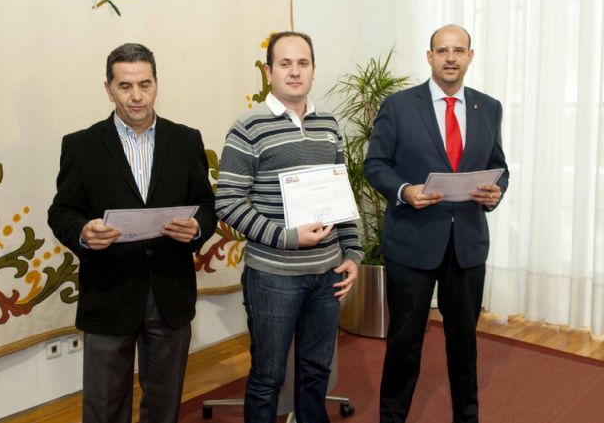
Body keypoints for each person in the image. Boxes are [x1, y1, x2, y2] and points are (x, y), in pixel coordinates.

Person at [48, 43, 217, 423]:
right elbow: (62, 211)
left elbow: (206, 205)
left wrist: (197, 228)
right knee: (104, 407)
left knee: (164, 404)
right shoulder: (82, 145)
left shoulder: (186, 140)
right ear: (108, 89)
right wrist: (82, 232)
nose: (136, 96)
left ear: (157, 84)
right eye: (125, 86)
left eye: (145, 84)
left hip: (170, 292)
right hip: (109, 292)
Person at [215, 31, 363, 423]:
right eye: (285, 64)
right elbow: (227, 201)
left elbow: (341, 195)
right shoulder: (248, 126)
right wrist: (287, 237)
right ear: (269, 72)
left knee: (316, 373)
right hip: (273, 277)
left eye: (303, 63)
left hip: (327, 274)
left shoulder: (330, 124)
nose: (295, 72)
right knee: (267, 377)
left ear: (313, 70)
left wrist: (352, 253)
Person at [365, 24, 509, 423]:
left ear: (470, 56)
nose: (450, 57)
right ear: (429, 57)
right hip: (412, 242)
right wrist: (405, 191)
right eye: (442, 50)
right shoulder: (398, 106)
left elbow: (500, 167)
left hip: (466, 243)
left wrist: (497, 192)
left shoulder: (489, 107)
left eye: (458, 50)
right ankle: (392, 417)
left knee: (463, 343)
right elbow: (375, 164)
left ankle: (467, 416)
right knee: (404, 342)